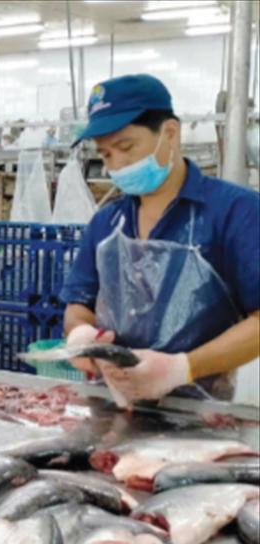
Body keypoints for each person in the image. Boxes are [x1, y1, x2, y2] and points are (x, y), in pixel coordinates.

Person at [60, 74, 259, 405]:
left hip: (200, 413)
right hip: (112, 406)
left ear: (170, 133)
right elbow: (78, 304)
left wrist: (182, 368)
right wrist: (82, 334)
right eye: (105, 155)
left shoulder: (237, 212)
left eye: (126, 147)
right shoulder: (106, 224)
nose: (117, 164)